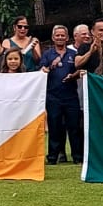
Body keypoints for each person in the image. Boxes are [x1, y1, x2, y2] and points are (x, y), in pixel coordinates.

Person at [40, 24, 83, 164]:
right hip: (53, 97)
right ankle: (53, 157)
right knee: (54, 127)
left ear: (67, 38)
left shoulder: (73, 54)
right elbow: (42, 69)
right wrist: (46, 68)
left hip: (71, 96)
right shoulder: (47, 54)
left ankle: (78, 157)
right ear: (53, 38)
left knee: (74, 127)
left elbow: (79, 70)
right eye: (57, 35)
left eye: (62, 35)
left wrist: (74, 75)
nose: (60, 37)